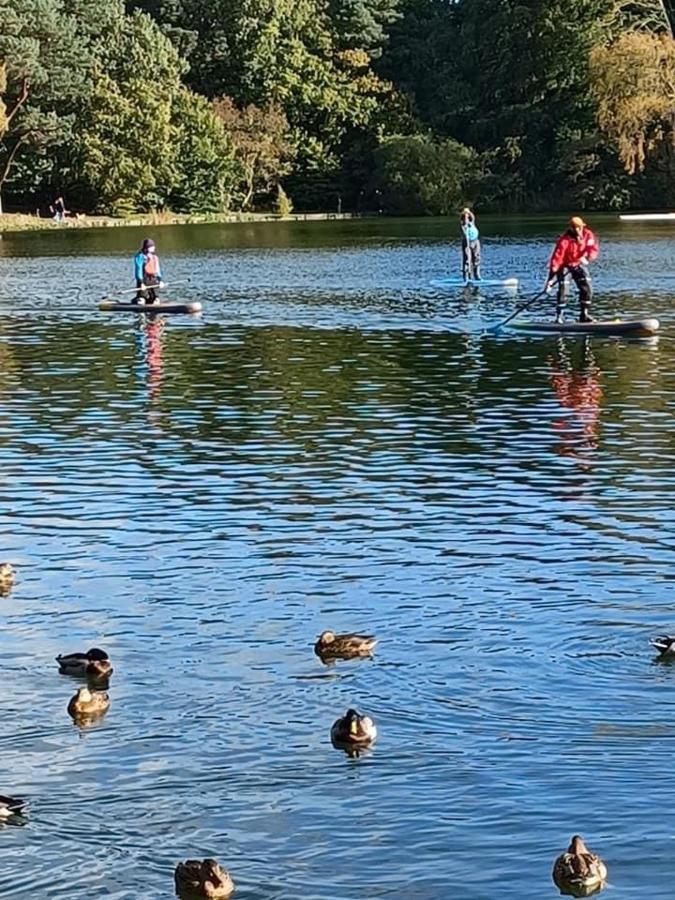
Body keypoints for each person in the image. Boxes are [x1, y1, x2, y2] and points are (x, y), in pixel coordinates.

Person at [545, 216, 599, 323]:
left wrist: (588, 257)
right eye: (575, 228)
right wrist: (550, 280)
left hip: (579, 263)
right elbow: (556, 260)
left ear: (583, 226)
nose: (577, 230)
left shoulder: (588, 235)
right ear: (571, 228)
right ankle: (559, 317)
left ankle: (584, 315)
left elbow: (593, 249)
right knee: (564, 288)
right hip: (565, 266)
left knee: (587, 287)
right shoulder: (564, 240)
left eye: (579, 227)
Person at [133, 238, 164, 304]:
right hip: (144, 279)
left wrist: (160, 280)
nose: (154, 247)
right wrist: (141, 283)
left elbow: (157, 270)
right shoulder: (140, 257)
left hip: (153, 279)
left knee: (156, 299)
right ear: (147, 247)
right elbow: (138, 270)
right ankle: (138, 300)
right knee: (142, 300)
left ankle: (152, 302)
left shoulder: (154, 257)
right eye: (152, 246)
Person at [460, 207, 481, 282]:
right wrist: (464, 216)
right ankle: (466, 276)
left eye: (467, 217)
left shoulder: (472, 221)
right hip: (467, 243)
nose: (467, 218)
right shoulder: (463, 225)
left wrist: (468, 212)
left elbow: (472, 216)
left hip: (475, 241)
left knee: (476, 257)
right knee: (467, 259)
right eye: (465, 217)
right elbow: (465, 234)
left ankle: (477, 275)